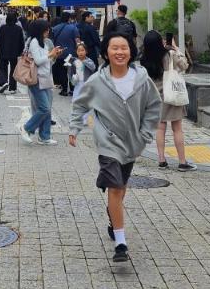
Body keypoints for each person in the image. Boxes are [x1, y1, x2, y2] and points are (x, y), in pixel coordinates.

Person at [67, 32, 162, 264]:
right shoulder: (97, 81)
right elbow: (80, 104)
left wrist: (145, 134)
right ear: (106, 52)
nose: (120, 52)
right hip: (108, 143)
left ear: (131, 51)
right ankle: (121, 243)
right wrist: (74, 128)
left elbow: (153, 107)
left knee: (121, 188)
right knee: (115, 188)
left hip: (132, 143)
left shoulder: (142, 79)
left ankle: (113, 218)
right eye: (114, 48)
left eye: (124, 48)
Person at [140, 30, 196, 172]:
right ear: (160, 42)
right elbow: (185, 65)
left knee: (160, 128)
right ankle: (182, 162)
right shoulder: (169, 55)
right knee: (177, 128)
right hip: (172, 95)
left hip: (156, 98)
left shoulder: (144, 59)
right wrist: (176, 49)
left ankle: (161, 160)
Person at [20, 19, 61, 146]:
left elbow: (47, 62)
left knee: (47, 109)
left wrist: (54, 56)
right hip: (36, 79)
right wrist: (50, 54)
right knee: (43, 108)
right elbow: (37, 61)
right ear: (40, 30)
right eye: (46, 29)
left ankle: (44, 136)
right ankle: (26, 128)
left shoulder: (43, 42)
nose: (48, 31)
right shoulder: (34, 41)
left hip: (46, 77)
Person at [50, 12, 80, 96]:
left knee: (62, 72)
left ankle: (64, 90)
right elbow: (77, 41)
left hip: (59, 54)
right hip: (71, 54)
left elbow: (52, 42)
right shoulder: (73, 28)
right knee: (71, 72)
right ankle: (72, 89)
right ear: (69, 18)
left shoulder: (55, 28)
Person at [0, 14, 24, 95]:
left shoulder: (3, 28)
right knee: (13, 69)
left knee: (2, 67)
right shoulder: (18, 28)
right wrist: (20, 51)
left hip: (3, 51)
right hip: (14, 53)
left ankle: (4, 82)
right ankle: (12, 87)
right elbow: (21, 41)